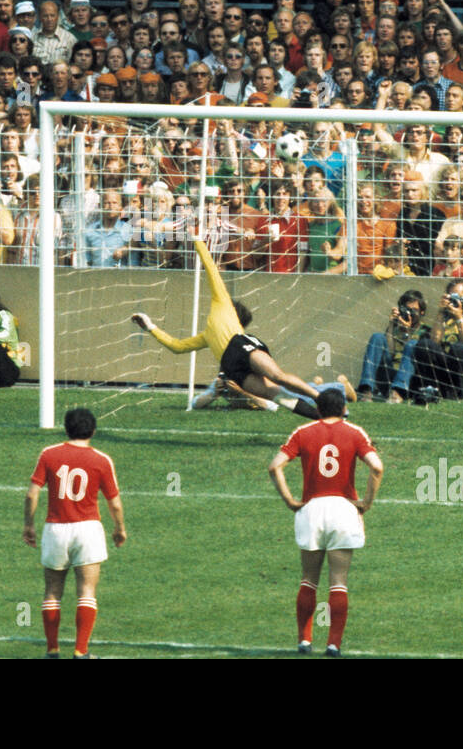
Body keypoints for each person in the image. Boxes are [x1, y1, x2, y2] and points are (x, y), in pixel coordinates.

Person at [131, 239, 321, 418]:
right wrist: (150, 327)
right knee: (277, 395)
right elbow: (177, 346)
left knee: (278, 377)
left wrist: (198, 242)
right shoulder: (206, 336)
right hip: (232, 365)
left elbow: (211, 270)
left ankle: (321, 399)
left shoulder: (222, 302)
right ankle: (323, 417)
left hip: (239, 346)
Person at [267, 387, 383, 657]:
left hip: (312, 510)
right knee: (338, 581)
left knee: (308, 579)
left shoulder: (302, 432)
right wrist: (366, 502)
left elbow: (275, 466)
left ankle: (304, 641)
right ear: (343, 409)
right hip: (344, 510)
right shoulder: (355, 432)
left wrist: (289, 500)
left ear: (318, 410)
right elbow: (376, 466)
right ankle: (333, 645)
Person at [23, 407, 126, 659]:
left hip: (55, 529)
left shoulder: (49, 454)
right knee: (87, 591)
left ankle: (52, 650)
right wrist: (119, 528)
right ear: (93, 430)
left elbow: (31, 493)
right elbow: (114, 503)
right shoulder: (102, 460)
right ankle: (81, 652)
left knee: (52, 590)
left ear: (66, 428)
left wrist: (28, 525)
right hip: (88, 529)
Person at [412, 281, 463, 401]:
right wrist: (440, 313)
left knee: (458, 347)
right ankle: (431, 391)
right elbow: (435, 341)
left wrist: (459, 318)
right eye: (452, 297)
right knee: (425, 345)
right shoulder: (446, 312)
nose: (455, 301)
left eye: (458, 297)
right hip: (450, 364)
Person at [355, 288, 428, 403]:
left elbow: (420, 360)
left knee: (413, 344)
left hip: (410, 380)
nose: (410, 314)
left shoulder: (426, 331)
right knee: (377, 337)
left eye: (414, 310)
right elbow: (390, 352)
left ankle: (398, 393)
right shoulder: (395, 328)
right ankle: (366, 390)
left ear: (422, 312)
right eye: (407, 310)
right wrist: (391, 325)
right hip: (389, 375)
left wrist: (406, 332)